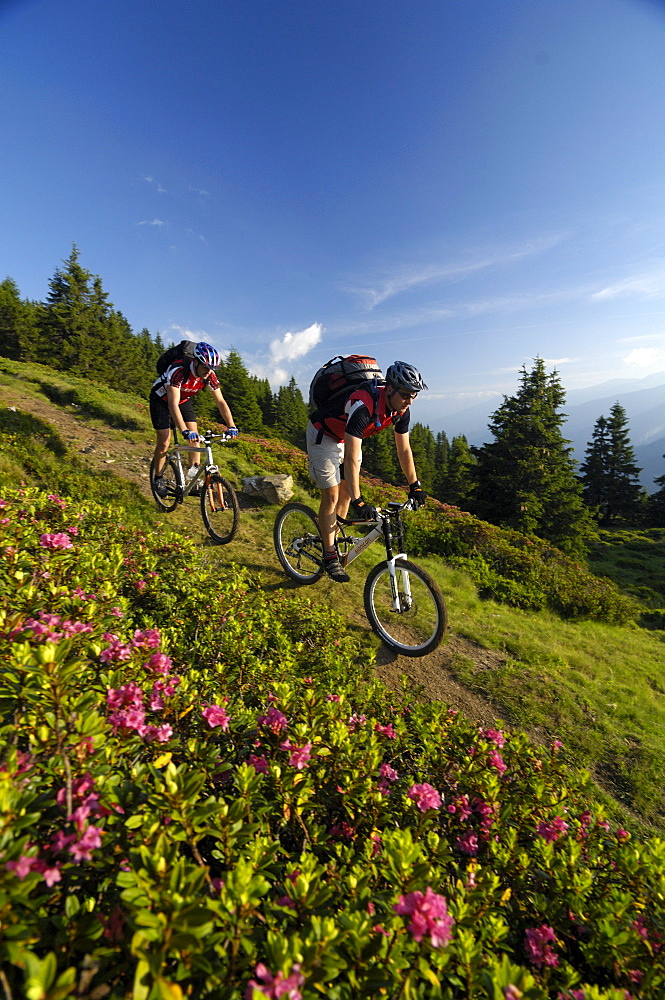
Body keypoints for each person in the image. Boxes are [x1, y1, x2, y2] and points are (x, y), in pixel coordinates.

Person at [306, 360, 428, 583]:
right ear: (389, 389)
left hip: (345, 437)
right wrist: (359, 501)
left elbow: (404, 450)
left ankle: (334, 536)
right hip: (323, 436)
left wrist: (414, 485)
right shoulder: (363, 405)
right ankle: (330, 554)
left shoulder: (402, 410)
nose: (409, 401)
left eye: (414, 395)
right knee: (332, 495)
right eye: (405, 394)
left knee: (345, 491)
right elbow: (352, 457)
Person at [150, 342, 238, 496]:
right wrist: (184, 430)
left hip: (183, 400)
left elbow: (220, 401)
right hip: (161, 400)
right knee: (164, 442)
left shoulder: (209, 375)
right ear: (195, 362)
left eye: (211, 368)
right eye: (205, 367)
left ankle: (193, 479)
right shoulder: (178, 371)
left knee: (195, 439)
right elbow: (172, 405)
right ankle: (158, 478)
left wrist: (231, 426)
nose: (208, 371)